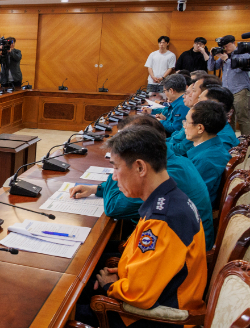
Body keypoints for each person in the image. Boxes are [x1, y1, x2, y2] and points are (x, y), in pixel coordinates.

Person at [75, 125, 207, 328]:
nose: (115, 177)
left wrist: (109, 285)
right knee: (86, 282)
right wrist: (121, 271)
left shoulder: (163, 219)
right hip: (159, 291)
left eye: (116, 168)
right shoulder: (168, 198)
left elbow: (140, 295)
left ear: (140, 167)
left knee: (71, 308)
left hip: (157, 316)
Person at [70, 115, 214, 250]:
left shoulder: (164, 177)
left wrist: (119, 162)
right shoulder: (171, 162)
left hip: (182, 253)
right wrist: (97, 189)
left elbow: (114, 207)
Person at [184, 100, 232, 205]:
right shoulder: (212, 148)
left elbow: (191, 196)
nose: (184, 126)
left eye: (187, 122)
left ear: (200, 128)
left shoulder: (206, 160)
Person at [206, 35, 250, 135]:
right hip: (226, 92)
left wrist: (226, 59)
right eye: (223, 47)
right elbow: (211, 67)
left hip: (240, 90)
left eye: (226, 46)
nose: (225, 49)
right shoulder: (224, 55)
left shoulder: (243, 54)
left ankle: (246, 144)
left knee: (243, 118)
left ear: (234, 43)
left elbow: (238, 69)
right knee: (228, 118)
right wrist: (211, 56)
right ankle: (231, 142)